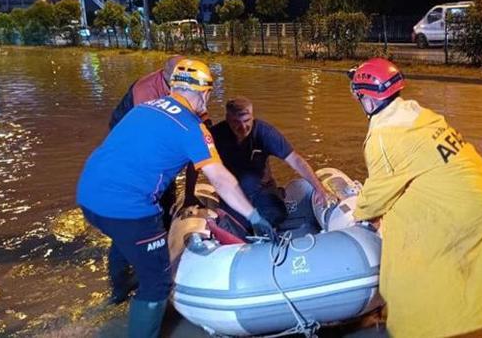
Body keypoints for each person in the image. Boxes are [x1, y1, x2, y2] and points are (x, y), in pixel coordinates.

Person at [76, 59, 276, 338]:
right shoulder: (192, 127)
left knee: (124, 242)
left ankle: (118, 297)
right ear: (204, 92)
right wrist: (255, 217)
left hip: (88, 195)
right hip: (126, 206)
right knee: (157, 281)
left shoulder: (144, 107)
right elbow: (221, 179)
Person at [347, 58, 482, 337]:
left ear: (368, 99)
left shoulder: (384, 136)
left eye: (360, 96)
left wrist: (358, 214)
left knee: (415, 272)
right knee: (459, 278)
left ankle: (418, 328)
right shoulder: (417, 114)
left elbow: (376, 196)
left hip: (461, 212)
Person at [209, 97, 335, 237]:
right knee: (235, 228)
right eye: (236, 122)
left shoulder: (265, 132)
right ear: (227, 118)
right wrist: (189, 195)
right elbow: (195, 163)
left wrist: (318, 188)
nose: (243, 127)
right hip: (233, 193)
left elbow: (295, 160)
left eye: (247, 121)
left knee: (275, 215)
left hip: (262, 191)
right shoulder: (215, 135)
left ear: (253, 116)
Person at [108, 55, 209, 230]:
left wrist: (189, 194)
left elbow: (198, 149)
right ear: (166, 77)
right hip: (130, 131)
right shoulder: (146, 93)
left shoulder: (191, 92)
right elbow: (147, 144)